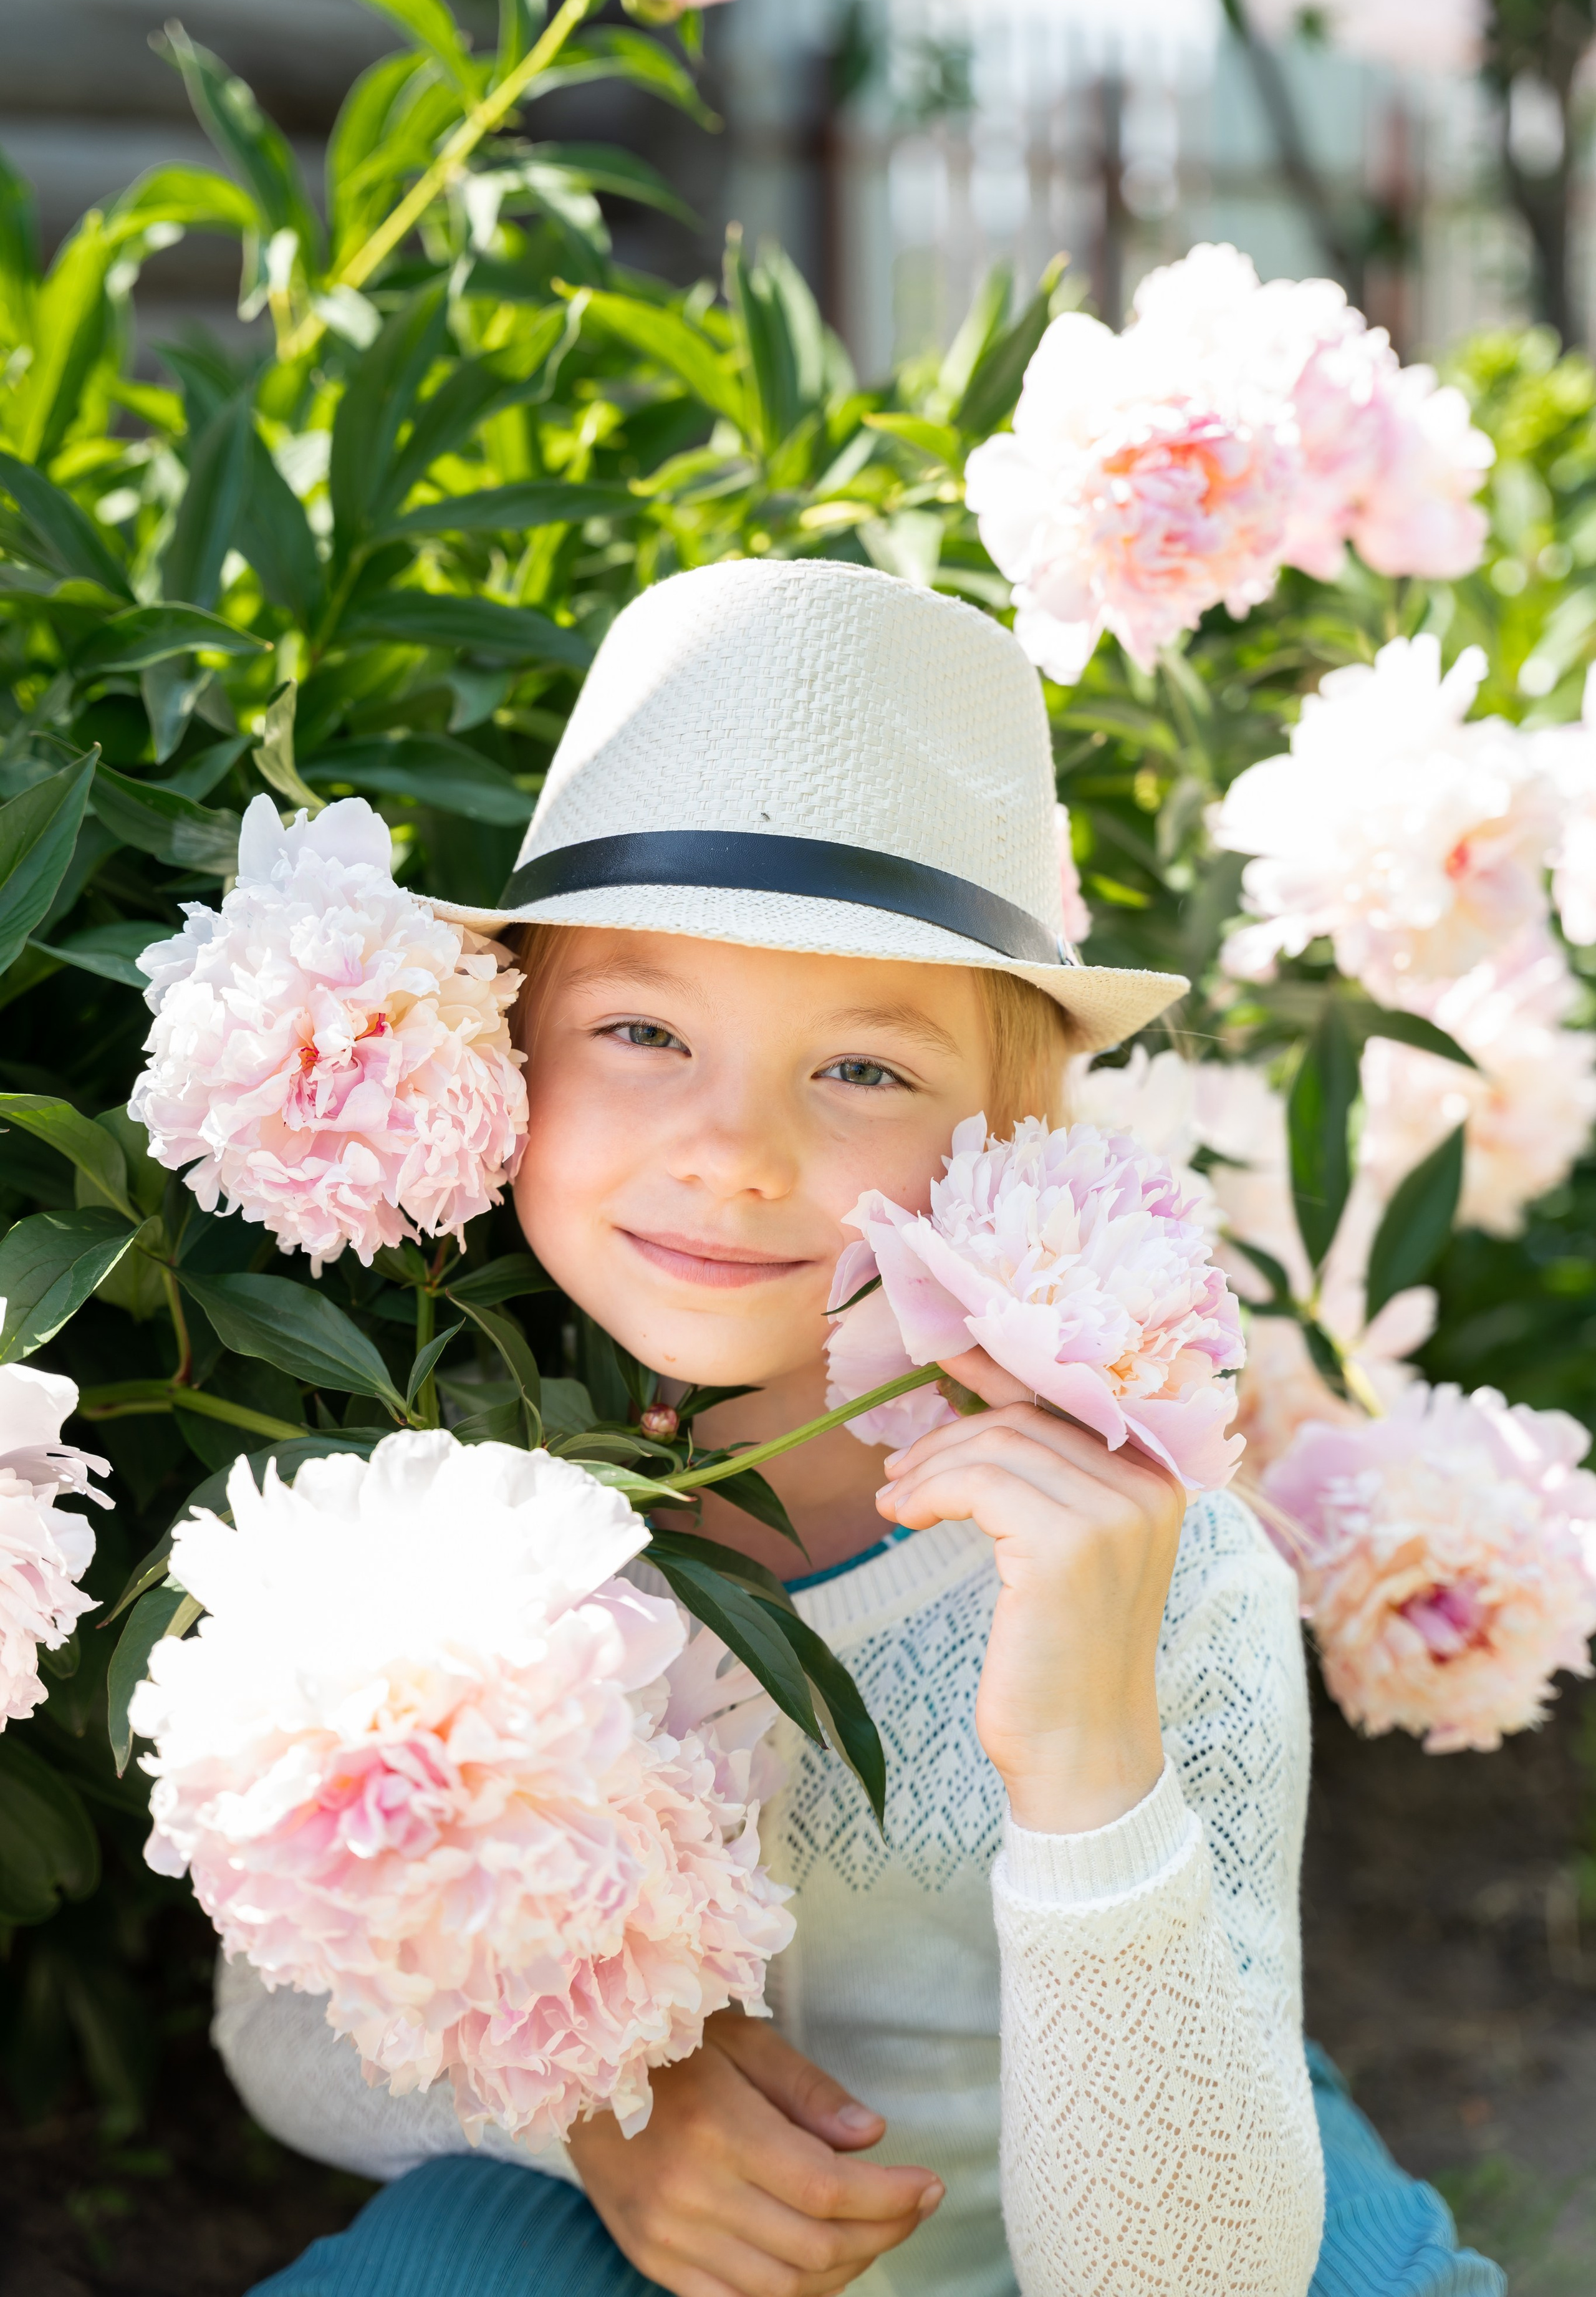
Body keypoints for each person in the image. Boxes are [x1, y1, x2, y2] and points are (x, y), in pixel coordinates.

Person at [223, 561, 1503, 2297]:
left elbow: (1191, 2281)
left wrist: (1086, 1751)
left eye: (863, 1071)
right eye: (644, 1030)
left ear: (1013, 1125)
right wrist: (599, 2116)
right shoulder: (437, 1501)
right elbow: (280, 2033)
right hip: (660, 2242)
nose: (735, 1151)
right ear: (509, 1047)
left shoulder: (1160, 1564)